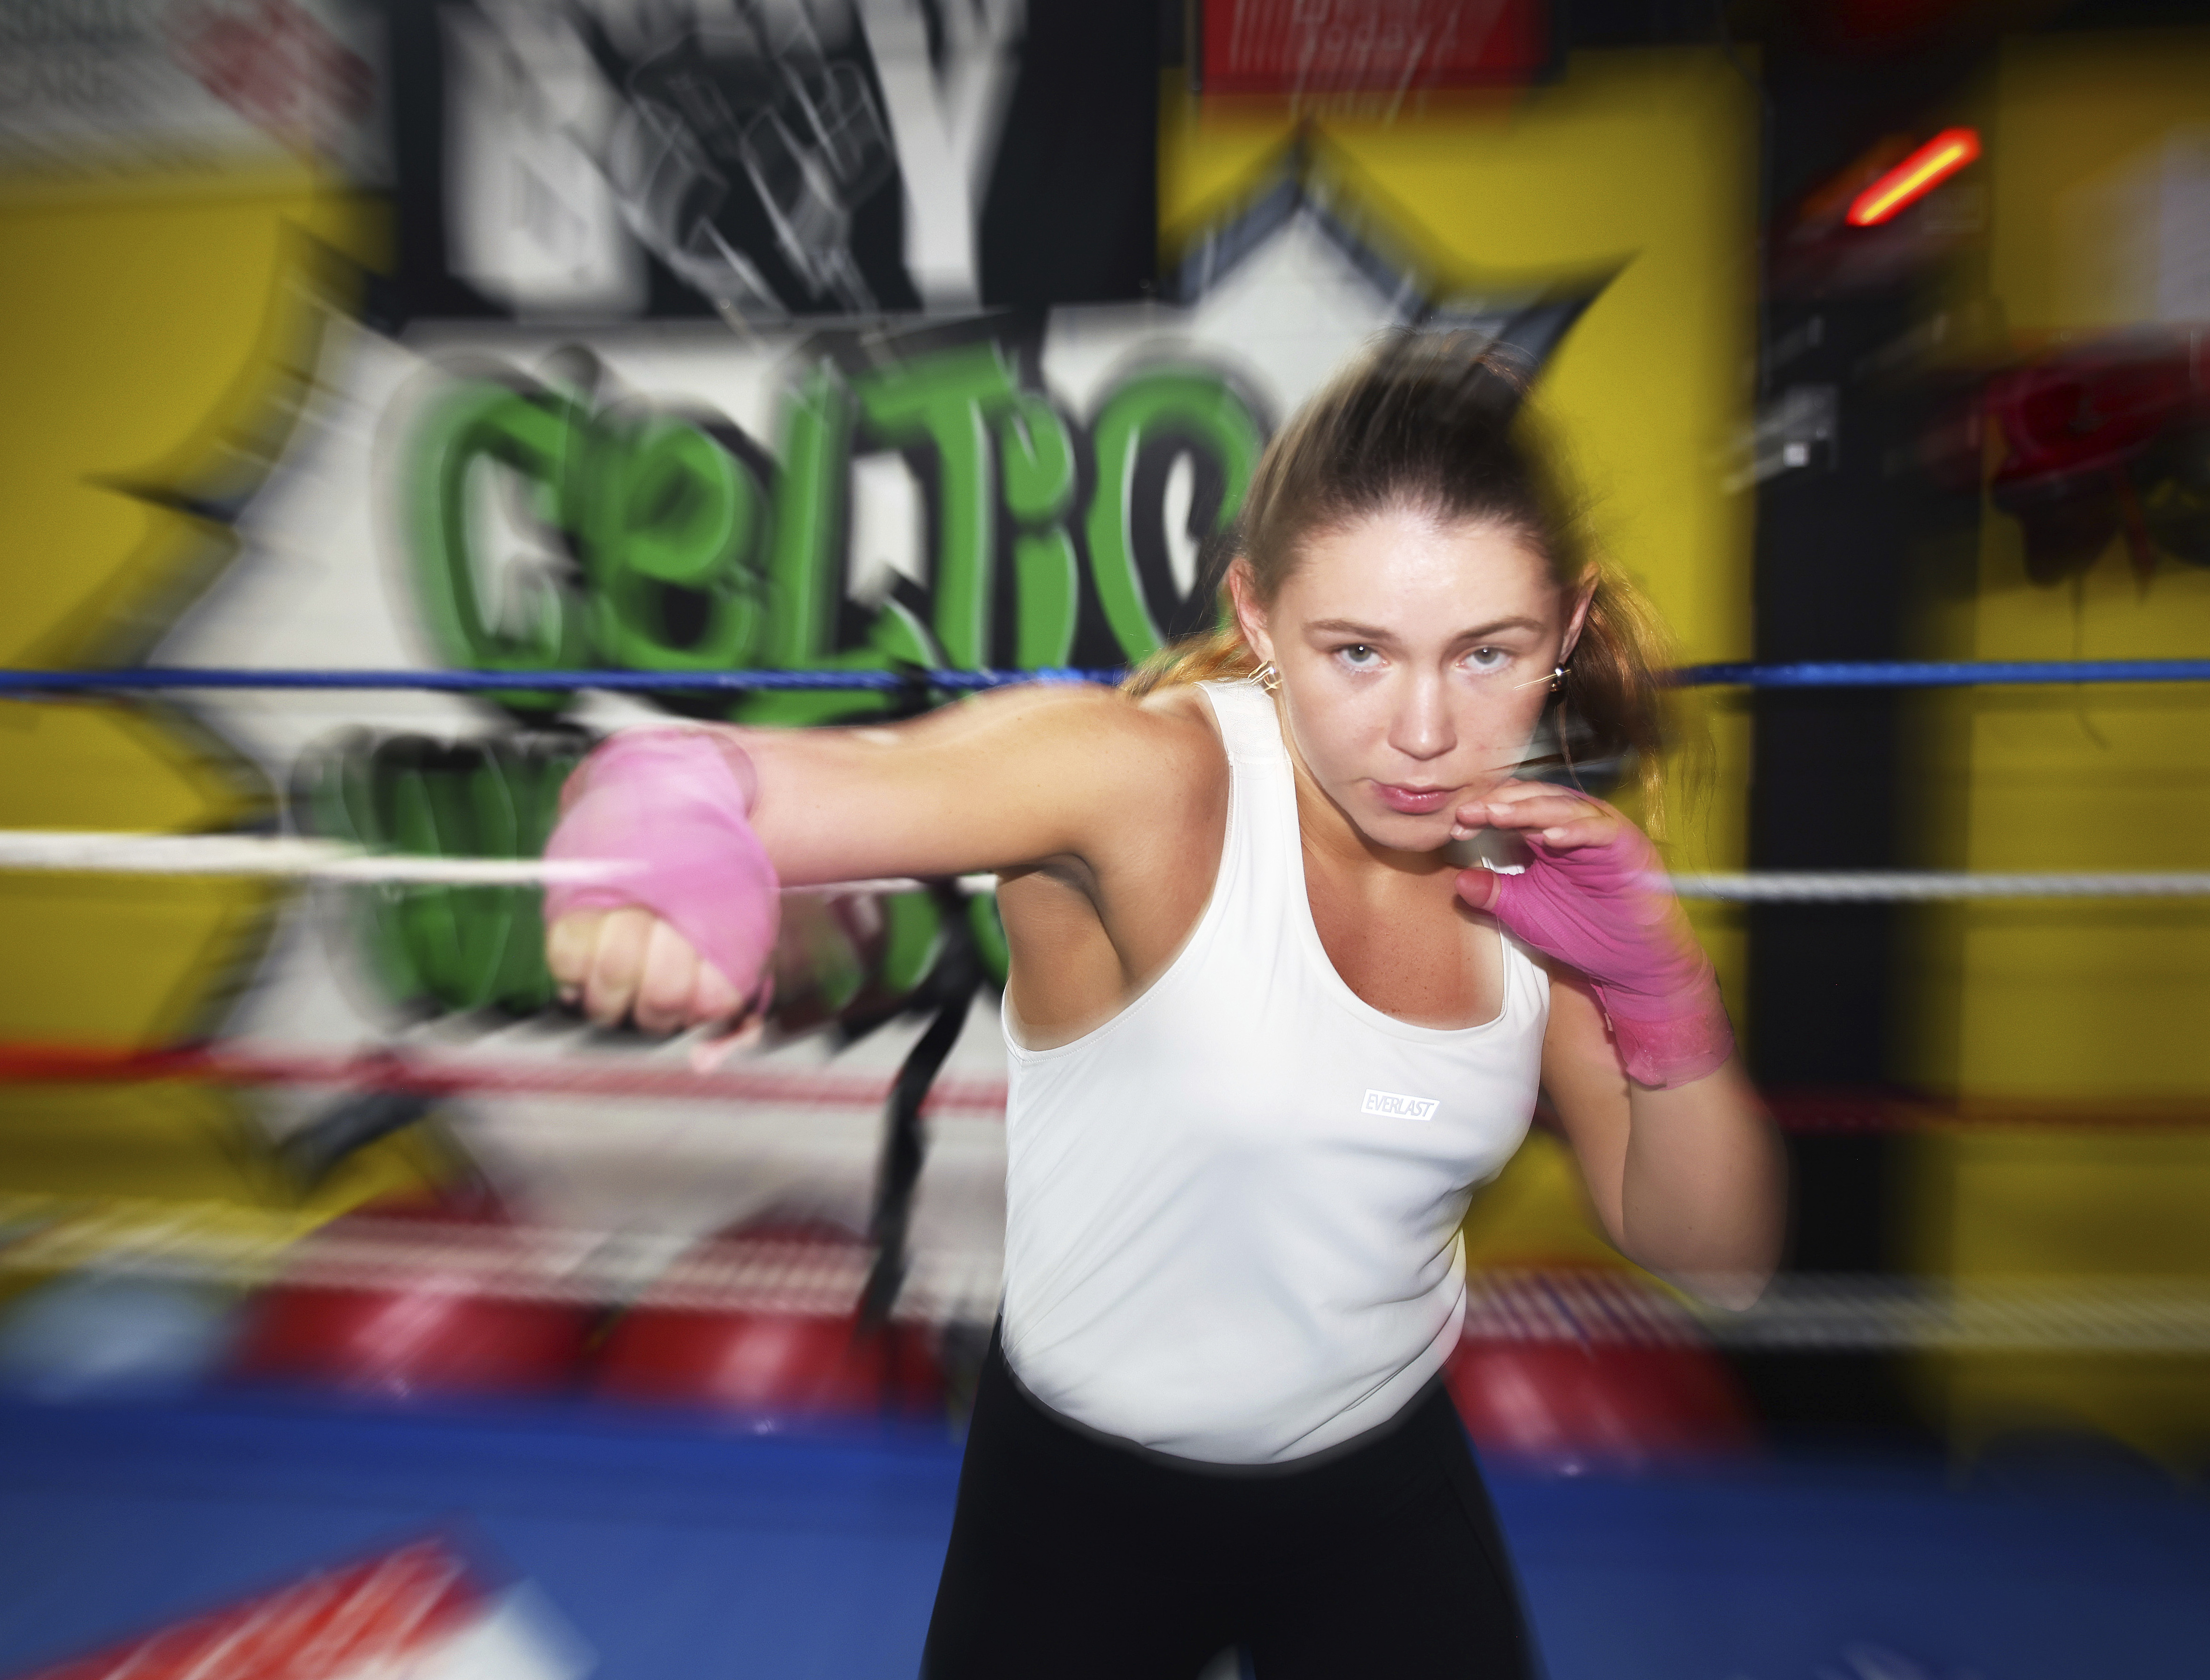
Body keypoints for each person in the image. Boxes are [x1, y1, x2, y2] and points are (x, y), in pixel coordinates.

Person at [542, 332, 1784, 1678]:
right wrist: (661, 855)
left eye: (1486, 655)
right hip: (1078, 1514)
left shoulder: (1544, 875)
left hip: (1380, 1490)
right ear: (1257, 618)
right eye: (1356, 652)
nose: (1422, 730)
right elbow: (711, 778)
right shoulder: (1144, 786)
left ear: (1569, 631)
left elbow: (1719, 1257)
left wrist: (1665, 1002)